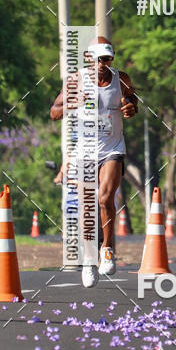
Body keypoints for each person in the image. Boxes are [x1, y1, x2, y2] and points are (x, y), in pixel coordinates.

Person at [50, 37, 138, 288]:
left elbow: (133, 101)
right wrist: (70, 104)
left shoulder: (121, 78)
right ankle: (89, 261)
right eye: (98, 59)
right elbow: (54, 112)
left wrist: (131, 107)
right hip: (84, 151)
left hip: (112, 147)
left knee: (104, 198)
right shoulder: (76, 80)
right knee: (87, 205)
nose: (102, 64)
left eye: (107, 59)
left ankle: (107, 249)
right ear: (89, 58)